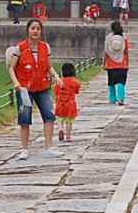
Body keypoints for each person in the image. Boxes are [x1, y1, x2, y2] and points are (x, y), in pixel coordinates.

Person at [7, 17, 59, 160]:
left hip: (42, 86)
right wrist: (16, 82)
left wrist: (56, 76)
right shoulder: (20, 48)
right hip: (24, 87)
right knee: (25, 118)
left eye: (38, 29)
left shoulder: (45, 47)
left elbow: (49, 66)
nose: (35, 31)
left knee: (49, 116)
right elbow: (11, 67)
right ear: (27, 30)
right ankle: (24, 149)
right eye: (33, 28)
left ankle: (49, 147)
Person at [103, 18, 131, 105]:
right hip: (123, 64)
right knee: (121, 83)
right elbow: (126, 51)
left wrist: (104, 63)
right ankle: (120, 99)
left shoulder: (108, 38)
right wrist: (128, 63)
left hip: (111, 65)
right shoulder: (124, 38)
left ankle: (112, 99)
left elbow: (106, 52)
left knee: (111, 83)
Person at [54, 62, 82, 142]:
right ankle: (68, 136)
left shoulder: (59, 82)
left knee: (60, 118)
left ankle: (60, 129)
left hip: (60, 103)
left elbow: (56, 92)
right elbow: (77, 92)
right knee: (69, 121)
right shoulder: (76, 82)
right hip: (71, 104)